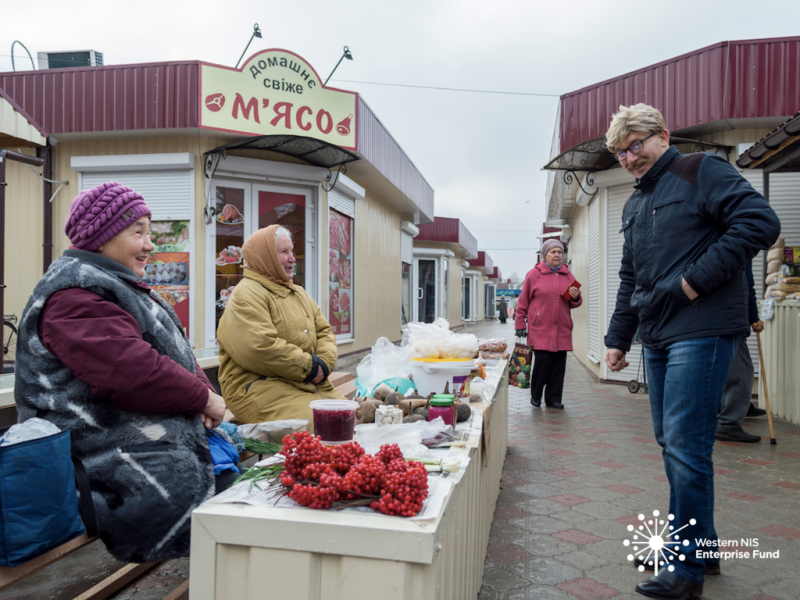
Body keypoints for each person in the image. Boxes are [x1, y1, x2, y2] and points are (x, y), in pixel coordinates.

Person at [603, 104, 780, 599]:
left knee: (685, 446)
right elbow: (630, 277)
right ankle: (701, 548)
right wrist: (618, 337)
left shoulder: (701, 170)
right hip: (657, 334)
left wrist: (692, 284)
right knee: (672, 441)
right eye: (620, 152)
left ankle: (686, 572)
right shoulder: (635, 203)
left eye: (636, 144)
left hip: (702, 329)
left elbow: (759, 222)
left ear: (662, 135)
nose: (629, 157)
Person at [14, 182, 227, 564]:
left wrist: (200, 396)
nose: (150, 244)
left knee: (243, 491)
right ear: (103, 236)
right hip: (109, 471)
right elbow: (131, 372)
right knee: (236, 506)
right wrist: (205, 397)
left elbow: (164, 354)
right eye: (138, 232)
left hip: (146, 449)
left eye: (151, 231)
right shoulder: (74, 295)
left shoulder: (111, 282)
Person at [217, 224, 346, 427]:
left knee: (349, 420)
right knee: (324, 427)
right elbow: (259, 346)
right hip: (257, 389)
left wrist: (323, 365)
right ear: (265, 257)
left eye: (291, 251)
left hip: (303, 383)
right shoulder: (246, 294)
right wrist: (310, 368)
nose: (292, 258)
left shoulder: (297, 292)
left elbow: (324, 332)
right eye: (284, 252)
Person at [514, 239, 581, 409]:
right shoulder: (533, 274)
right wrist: (520, 323)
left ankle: (553, 399)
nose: (557, 255)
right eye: (553, 252)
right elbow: (522, 303)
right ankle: (536, 396)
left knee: (558, 367)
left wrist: (575, 296)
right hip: (540, 328)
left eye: (560, 252)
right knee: (543, 364)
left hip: (562, 329)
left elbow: (575, 301)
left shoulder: (568, 275)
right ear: (545, 255)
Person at [716, 264, 763, 443]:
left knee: (723, 370)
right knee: (741, 372)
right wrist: (753, 317)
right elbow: (746, 286)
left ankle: (732, 410)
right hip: (729, 316)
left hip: (709, 318)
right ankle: (728, 424)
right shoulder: (739, 246)